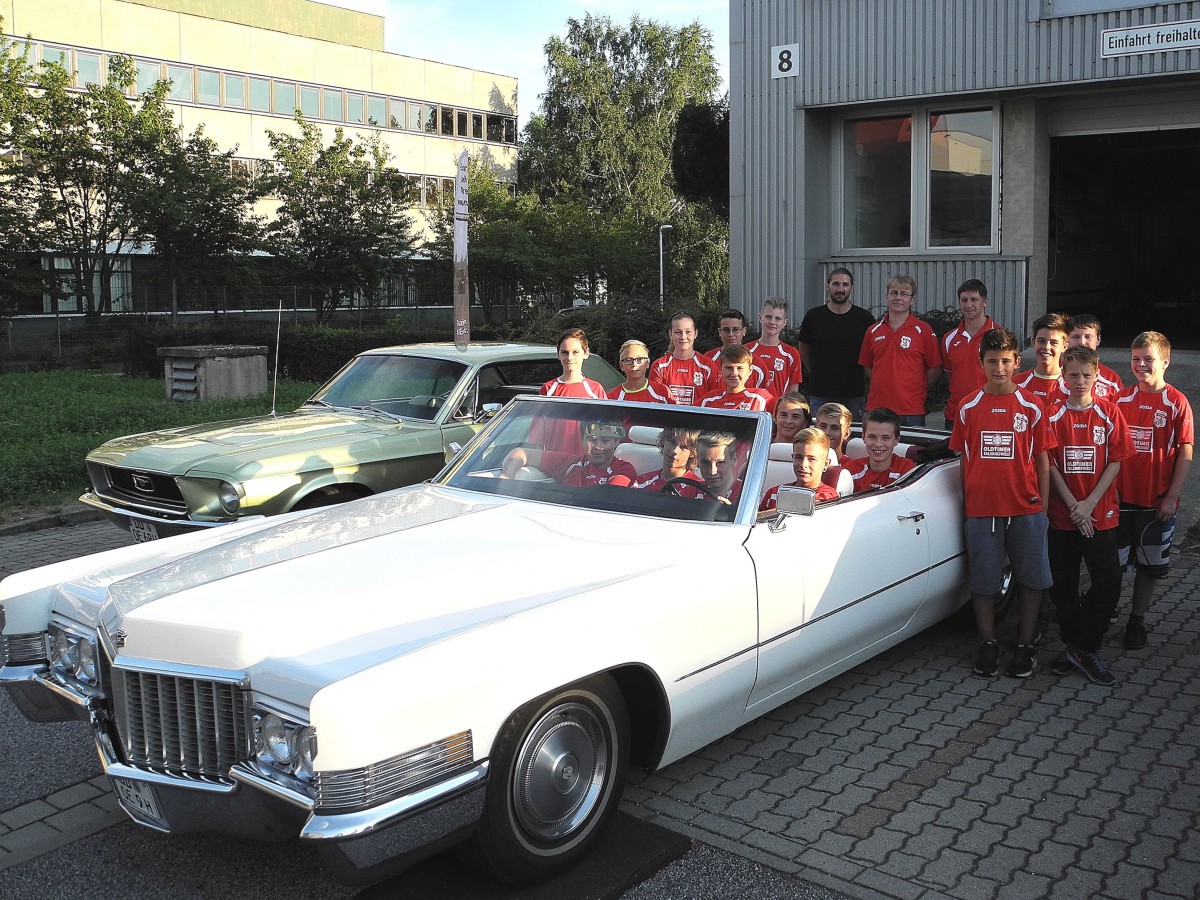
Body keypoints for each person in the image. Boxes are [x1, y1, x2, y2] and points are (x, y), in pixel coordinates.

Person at [950, 327, 1056, 679]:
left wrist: (1042, 510)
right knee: (983, 582)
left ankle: (1025, 645)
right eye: (992, 361)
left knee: (1032, 580)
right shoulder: (967, 407)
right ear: (981, 363)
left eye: (1006, 361)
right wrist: (969, 505)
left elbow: (1042, 460)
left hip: (1025, 509)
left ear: (1016, 363)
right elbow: (964, 460)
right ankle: (988, 642)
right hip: (982, 511)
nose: (999, 368)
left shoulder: (1033, 405)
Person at [1045, 346, 1132, 685]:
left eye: (1086, 374)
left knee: (1108, 580)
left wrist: (1089, 504)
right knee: (1062, 585)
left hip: (1099, 514)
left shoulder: (1109, 412)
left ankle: (1085, 646)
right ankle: (1075, 646)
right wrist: (1073, 506)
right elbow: (1050, 465)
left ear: (1096, 375)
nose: (1079, 380)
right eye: (1073, 374)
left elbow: (1116, 461)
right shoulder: (1052, 415)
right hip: (1064, 516)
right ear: (1063, 377)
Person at [1114, 330, 1195, 650]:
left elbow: (1186, 452)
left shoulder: (1176, 402)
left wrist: (1172, 497)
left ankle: (1136, 621)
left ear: (1165, 361)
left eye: (1149, 359)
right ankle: (1105, 613)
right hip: (1119, 502)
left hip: (1155, 503)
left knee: (1148, 568)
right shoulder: (1120, 399)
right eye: (1136, 359)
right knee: (1112, 566)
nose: (1141, 365)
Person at [858, 274, 942, 427]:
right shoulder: (873, 331)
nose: (898, 298)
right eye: (894, 293)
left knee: (911, 444)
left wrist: (915, 385)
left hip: (911, 409)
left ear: (912, 299)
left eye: (904, 294)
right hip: (877, 407)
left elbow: (935, 368)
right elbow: (868, 366)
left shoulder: (923, 330)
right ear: (886, 297)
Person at [797, 267, 875, 421]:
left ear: (851, 287)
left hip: (854, 393)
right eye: (836, 284)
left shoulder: (864, 318)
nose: (840, 289)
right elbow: (804, 349)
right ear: (827, 286)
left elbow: (873, 353)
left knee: (852, 434)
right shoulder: (813, 316)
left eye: (845, 284)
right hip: (820, 392)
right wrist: (817, 371)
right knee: (819, 434)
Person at [531, 327, 609, 457]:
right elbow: (537, 433)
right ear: (558, 354)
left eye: (575, 352)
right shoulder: (548, 389)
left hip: (586, 461)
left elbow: (606, 430)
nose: (570, 357)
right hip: (555, 459)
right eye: (565, 352)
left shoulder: (595, 390)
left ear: (586, 353)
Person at [501, 419, 637, 487]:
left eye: (605, 441)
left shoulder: (624, 470)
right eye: (592, 439)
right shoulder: (571, 464)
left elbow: (605, 497)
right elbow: (521, 453)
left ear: (616, 442)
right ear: (582, 439)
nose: (598, 447)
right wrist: (506, 478)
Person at [941, 278, 999, 428]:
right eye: (964, 300)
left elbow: (1011, 376)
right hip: (956, 414)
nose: (968, 305)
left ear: (984, 302)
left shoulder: (1000, 336)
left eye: (974, 300)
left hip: (990, 413)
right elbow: (951, 376)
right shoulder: (949, 338)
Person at [759, 427, 839, 511]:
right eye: (798, 457)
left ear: (825, 464)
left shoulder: (828, 496)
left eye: (811, 459)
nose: (803, 465)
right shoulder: (773, 493)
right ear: (792, 458)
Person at [649, 312, 720, 406]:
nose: (683, 337)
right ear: (670, 334)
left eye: (688, 332)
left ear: (695, 334)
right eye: (677, 332)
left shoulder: (708, 366)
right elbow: (655, 401)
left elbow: (716, 400)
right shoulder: (659, 366)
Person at [844, 407, 915, 492]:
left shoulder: (905, 468)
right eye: (872, 437)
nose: (878, 444)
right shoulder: (851, 469)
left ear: (896, 440)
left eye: (885, 438)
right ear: (863, 437)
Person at [745, 297, 803, 399]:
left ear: (784, 323)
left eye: (778, 318)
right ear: (760, 317)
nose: (772, 322)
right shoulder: (746, 351)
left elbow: (793, 392)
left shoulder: (791, 354)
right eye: (768, 317)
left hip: (778, 407)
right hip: (750, 406)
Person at [1015, 312, 1069, 409]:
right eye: (1041, 341)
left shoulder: (1073, 386)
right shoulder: (1016, 384)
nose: (1047, 347)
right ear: (1033, 342)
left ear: (1064, 347)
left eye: (1053, 343)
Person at [699, 344, 774, 412]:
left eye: (740, 368)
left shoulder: (759, 398)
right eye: (729, 368)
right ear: (721, 369)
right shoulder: (708, 401)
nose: (734, 374)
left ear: (750, 370)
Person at [1066, 313, 1125, 399]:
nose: (1082, 342)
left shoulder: (1111, 378)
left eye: (1088, 337)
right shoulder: (1056, 374)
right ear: (1067, 339)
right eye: (1076, 337)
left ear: (1098, 340)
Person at [633, 427, 703, 495]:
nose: (674, 451)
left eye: (684, 447)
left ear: (693, 453)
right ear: (663, 441)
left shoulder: (699, 490)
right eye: (672, 442)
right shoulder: (640, 483)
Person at [608, 339, 674, 404]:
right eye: (628, 360)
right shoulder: (612, 398)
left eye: (639, 359)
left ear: (647, 363)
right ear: (621, 365)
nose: (634, 364)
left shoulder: (662, 392)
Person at [695, 431, 744, 504]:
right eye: (705, 462)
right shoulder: (690, 491)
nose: (712, 471)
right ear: (697, 461)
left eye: (720, 462)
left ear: (734, 460)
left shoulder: (747, 494)